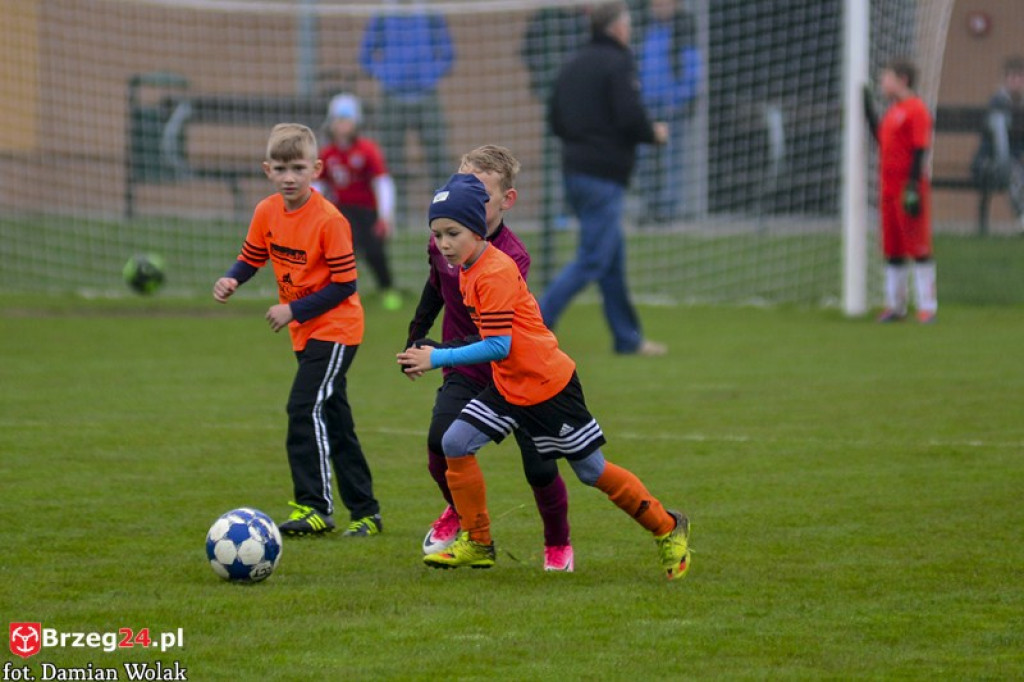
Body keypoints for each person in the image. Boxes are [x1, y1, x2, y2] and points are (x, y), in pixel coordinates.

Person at [397, 173, 691, 580]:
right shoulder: (466, 266)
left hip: (547, 387)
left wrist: (438, 357)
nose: (443, 243)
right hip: (509, 385)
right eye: (437, 234)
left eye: (453, 233)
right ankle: (478, 542)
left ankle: (667, 526)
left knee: (591, 471)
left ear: (478, 229)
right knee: (455, 441)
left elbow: (499, 345)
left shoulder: (494, 271)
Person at [403, 146, 575, 571]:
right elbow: (435, 287)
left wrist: (437, 354)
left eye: (478, 189)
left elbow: (494, 336)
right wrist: (415, 335)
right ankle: (470, 524)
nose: (464, 193)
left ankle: (558, 543)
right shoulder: (443, 236)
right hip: (464, 367)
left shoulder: (511, 257)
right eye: (459, 181)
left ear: (506, 200)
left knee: (539, 466)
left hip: (514, 369)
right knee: (439, 446)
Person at [213, 123, 382, 537]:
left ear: (316, 169)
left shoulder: (329, 220)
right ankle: (366, 513)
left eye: (299, 168)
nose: (290, 177)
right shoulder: (267, 211)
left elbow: (346, 285)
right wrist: (234, 278)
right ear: (267, 169)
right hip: (305, 331)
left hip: (338, 328)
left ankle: (315, 507)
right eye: (282, 169)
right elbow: (251, 256)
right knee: (335, 420)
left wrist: (293, 309)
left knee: (303, 407)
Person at [542, 1, 669, 356]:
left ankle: (627, 339)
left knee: (611, 260)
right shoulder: (618, 62)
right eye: (628, 23)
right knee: (593, 260)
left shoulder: (572, 63)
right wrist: (653, 133)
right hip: (604, 175)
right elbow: (630, 116)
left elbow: (555, 119)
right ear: (617, 28)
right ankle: (531, 322)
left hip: (575, 171)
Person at [358, 0, 455, 225]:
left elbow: (448, 53)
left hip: (427, 95)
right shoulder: (383, 14)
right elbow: (366, 55)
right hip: (392, 97)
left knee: (438, 157)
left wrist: (429, 74)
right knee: (391, 159)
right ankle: (396, 217)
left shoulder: (431, 12)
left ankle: (443, 213)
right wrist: (388, 75)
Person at [863, 58, 938, 324]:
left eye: (887, 77)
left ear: (902, 79)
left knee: (917, 247)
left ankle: (928, 306)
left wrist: (913, 188)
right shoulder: (893, 111)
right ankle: (895, 306)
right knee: (893, 249)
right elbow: (881, 140)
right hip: (888, 189)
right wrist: (867, 108)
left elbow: (920, 150)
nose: (883, 82)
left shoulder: (916, 109)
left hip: (908, 189)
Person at [319, 93, 402, 312]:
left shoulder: (367, 150)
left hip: (367, 210)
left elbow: (382, 182)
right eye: (338, 120)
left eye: (347, 120)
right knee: (342, 251)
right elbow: (319, 185)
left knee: (375, 251)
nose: (342, 125)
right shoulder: (327, 153)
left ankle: (387, 288)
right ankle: (339, 293)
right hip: (341, 211)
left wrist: (385, 216)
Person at [634, 0, 701, 224]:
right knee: (645, 159)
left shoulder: (684, 30)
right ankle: (649, 206)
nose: (659, 7)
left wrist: (681, 97)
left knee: (672, 158)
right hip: (648, 105)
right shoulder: (645, 29)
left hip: (672, 106)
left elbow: (693, 68)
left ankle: (668, 210)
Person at [970, 55, 1024, 234]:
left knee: (1014, 170)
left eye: (1020, 77)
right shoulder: (997, 103)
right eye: (1013, 77)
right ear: (1006, 79)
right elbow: (997, 143)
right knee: (1012, 171)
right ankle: (1021, 214)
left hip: (1013, 163)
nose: (1016, 81)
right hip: (989, 163)